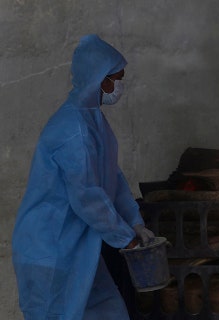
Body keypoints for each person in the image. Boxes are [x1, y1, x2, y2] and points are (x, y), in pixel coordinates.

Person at [12, 34, 154, 320]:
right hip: (50, 252)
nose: (119, 86)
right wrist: (126, 238)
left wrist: (136, 223)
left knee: (110, 312)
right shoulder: (72, 130)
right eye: (116, 78)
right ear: (99, 79)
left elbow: (112, 180)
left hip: (80, 249)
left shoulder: (94, 122)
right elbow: (88, 198)